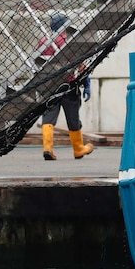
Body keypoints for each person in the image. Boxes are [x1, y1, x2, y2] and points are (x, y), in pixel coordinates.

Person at [38, 13, 94, 161]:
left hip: (50, 87)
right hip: (69, 86)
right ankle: (78, 149)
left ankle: (47, 148)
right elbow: (80, 63)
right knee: (73, 117)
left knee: (48, 117)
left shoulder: (44, 42)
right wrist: (87, 82)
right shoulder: (69, 41)